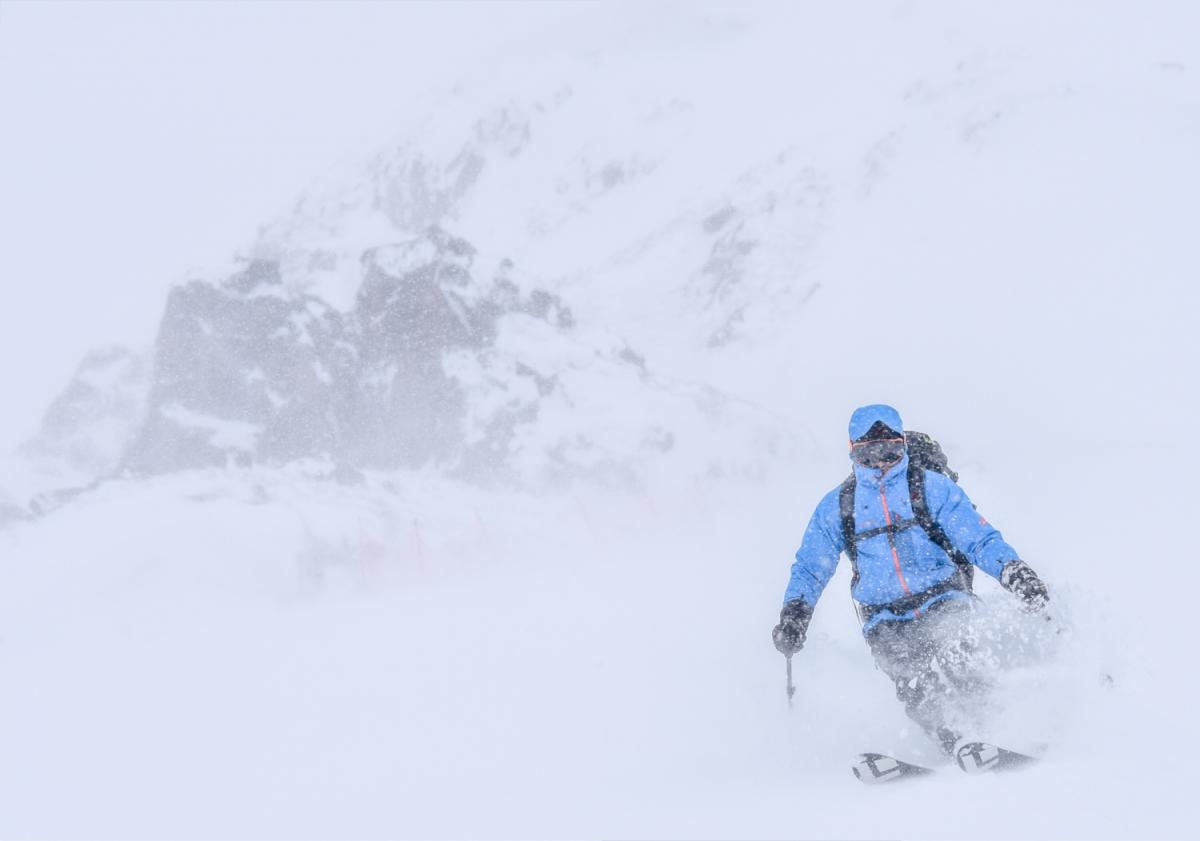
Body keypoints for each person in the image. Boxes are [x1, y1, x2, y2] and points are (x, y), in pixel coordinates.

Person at [772, 404, 1050, 754]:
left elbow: (978, 539)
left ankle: (996, 727)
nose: (880, 462)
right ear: (853, 452)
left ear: (902, 445)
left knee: (960, 656)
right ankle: (950, 740)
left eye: (889, 451)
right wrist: (795, 615)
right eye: (868, 453)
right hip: (883, 614)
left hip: (941, 597)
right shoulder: (839, 505)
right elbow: (811, 566)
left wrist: (1014, 573)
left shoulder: (930, 489)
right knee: (913, 682)